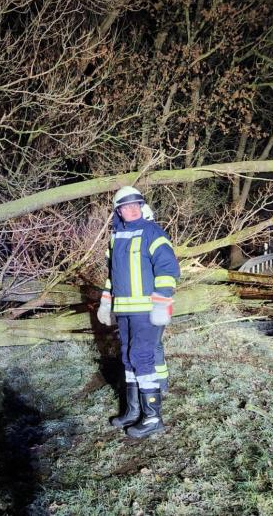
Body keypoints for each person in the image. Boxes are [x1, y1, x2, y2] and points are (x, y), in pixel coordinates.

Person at [97, 187, 179, 438]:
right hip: (124, 311)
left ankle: (153, 417)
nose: (131, 209)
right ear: (118, 211)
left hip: (147, 310)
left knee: (141, 355)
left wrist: (161, 303)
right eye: (126, 206)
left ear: (141, 207)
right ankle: (133, 412)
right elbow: (113, 275)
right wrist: (105, 302)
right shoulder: (116, 237)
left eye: (136, 205)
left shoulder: (152, 233)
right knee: (127, 357)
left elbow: (168, 268)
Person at [141, 202, 170, 393]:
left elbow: (166, 273)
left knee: (152, 346)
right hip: (148, 303)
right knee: (153, 346)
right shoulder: (154, 236)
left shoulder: (153, 238)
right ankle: (160, 385)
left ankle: (158, 386)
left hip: (154, 302)